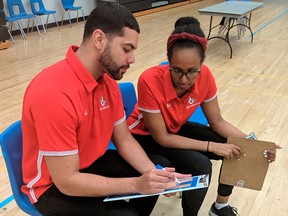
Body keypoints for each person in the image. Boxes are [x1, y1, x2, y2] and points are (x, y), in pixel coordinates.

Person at [21, 3, 190, 216]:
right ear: (99, 39)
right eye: (126, 49)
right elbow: (67, 181)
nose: (132, 59)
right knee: (126, 212)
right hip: (52, 186)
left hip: (89, 164)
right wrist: (137, 185)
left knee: (158, 169)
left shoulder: (107, 83)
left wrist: (151, 175)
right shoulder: (53, 92)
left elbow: (125, 140)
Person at [127, 16, 277, 216]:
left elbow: (217, 121)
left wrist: (254, 144)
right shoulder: (149, 80)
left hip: (175, 128)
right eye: (177, 71)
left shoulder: (205, 76)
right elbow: (162, 138)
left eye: (192, 71)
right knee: (201, 164)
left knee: (236, 146)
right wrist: (211, 146)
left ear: (202, 62)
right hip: (145, 136)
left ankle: (220, 206)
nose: (184, 79)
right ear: (168, 61)